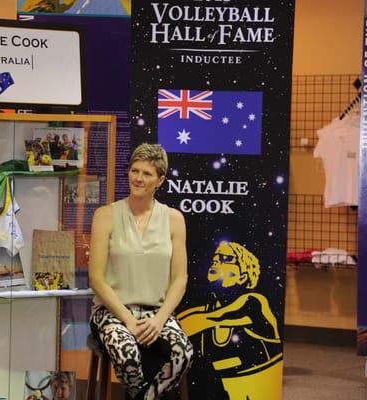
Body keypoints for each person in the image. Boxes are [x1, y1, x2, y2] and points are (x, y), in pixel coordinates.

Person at [89, 143, 193, 400]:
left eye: (147, 173)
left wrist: (159, 321)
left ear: (160, 180)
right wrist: (128, 320)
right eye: (134, 170)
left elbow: (180, 278)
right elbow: (96, 279)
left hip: (157, 312)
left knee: (184, 352)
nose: (138, 178)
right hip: (112, 311)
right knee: (128, 356)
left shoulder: (174, 219)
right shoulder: (105, 215)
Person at [177, 241, 282, 400]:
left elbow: (209, 319)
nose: (216, 261)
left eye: (226, 258)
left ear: (243, 276)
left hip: (257, 389)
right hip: (227, 391)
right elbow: (184, 323)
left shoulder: (253, 302)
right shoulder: (206, 309)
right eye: (216, 258)